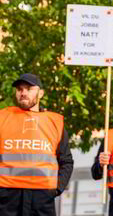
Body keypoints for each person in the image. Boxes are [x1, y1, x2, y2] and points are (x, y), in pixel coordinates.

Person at [0, 73, 74, 216]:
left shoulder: (55, 122)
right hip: (6, 198)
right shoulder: (3, 117)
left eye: (29, 89)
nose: (23, 93)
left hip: (42, 199)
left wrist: (57, 188)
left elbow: (66, 161)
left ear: (41, 93)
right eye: (20, 89)